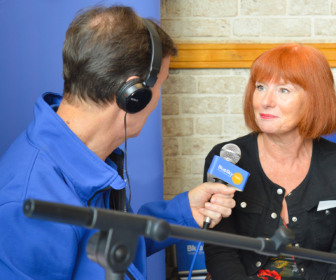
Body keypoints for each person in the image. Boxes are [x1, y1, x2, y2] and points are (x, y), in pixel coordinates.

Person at [0, 5, 235, 280]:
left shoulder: (87, 157)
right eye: (162, 84)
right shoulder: (31, 204)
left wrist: (183, 212)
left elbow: (108, 245)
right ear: (135, 94)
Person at [203, 44, 336, 280]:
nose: (265, 101)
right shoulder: (228, 158)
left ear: (315, 98)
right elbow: (220, 250)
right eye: (260, 87)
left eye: (283, 90)